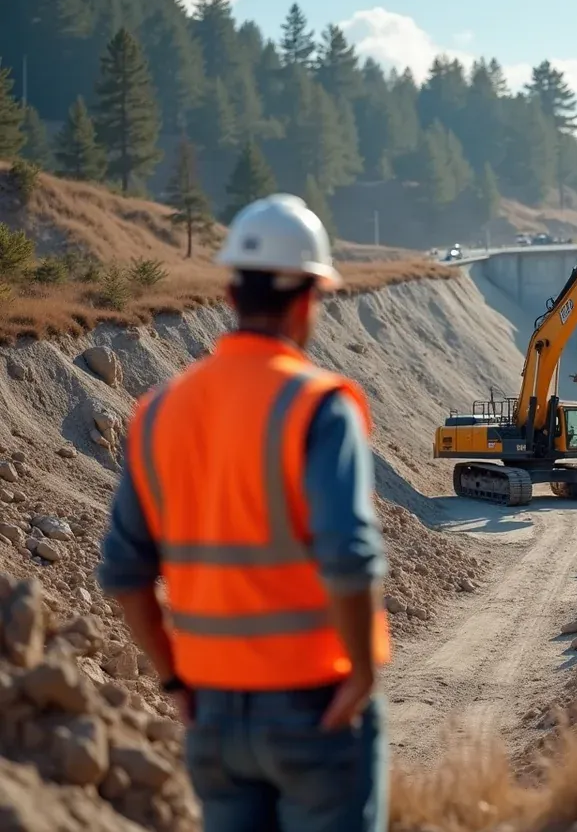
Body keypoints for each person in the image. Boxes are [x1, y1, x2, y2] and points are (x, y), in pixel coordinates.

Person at [97, 194, 391, 832]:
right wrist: (361, 674)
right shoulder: (318, 404)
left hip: (214, 715)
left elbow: (122, 571)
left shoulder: (157, 412)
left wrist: (177, 685)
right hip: (317, 704)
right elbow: (347, 553)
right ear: (309, 297)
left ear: (231, 293)